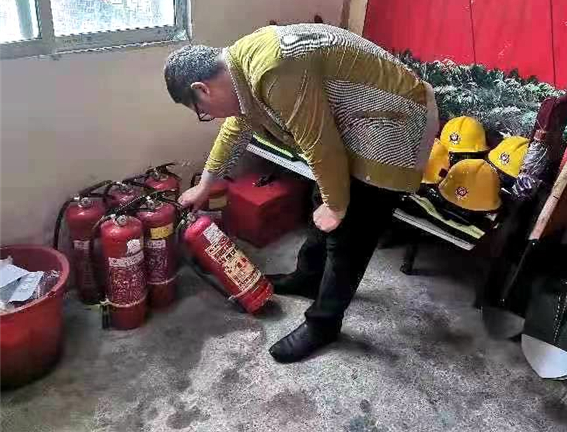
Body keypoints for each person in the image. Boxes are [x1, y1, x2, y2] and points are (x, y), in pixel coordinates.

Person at [164, 23, 438, 362]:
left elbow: (320, 145)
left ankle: (324, 324)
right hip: (360, 118)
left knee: (350, 229)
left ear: (202, 89)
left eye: (202, 112)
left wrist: (337, 207)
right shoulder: (241, 64)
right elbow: (237, 126)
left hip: (395, 118)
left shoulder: (272, 68)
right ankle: (308, 278)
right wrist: (205, 185)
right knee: (321, 201)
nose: (208, 116)